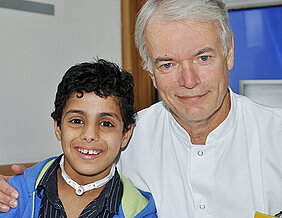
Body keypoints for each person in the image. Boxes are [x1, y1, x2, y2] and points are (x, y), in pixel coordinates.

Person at [0, 0, 282, 217]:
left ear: (229, 51)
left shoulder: (277, 136)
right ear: (149, 69)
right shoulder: (122, 139)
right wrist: (15, 189)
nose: (189, 80)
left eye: (203, 57)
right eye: (167, 64)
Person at [0, 59, 157, 217]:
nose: (90, 135)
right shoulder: (13, 195)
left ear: (126, 134)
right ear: (58, 127)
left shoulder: (139, 212)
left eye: (106, 123)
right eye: (77, 121)